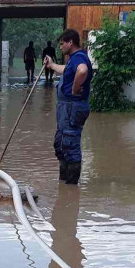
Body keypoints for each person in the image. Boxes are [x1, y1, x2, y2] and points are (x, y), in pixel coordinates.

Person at [44, 29, 93, 185]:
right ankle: (63, 184)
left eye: (62, 44)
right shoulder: (74, 59)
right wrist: (51, 65)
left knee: (70, 146)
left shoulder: (79, 57)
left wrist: (74, 88)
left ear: (70, 42)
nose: (60, 47)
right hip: (65, 108)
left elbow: (82, 70)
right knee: (60, 145)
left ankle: (71, 188)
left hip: (73, 107)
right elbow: (66, 70)